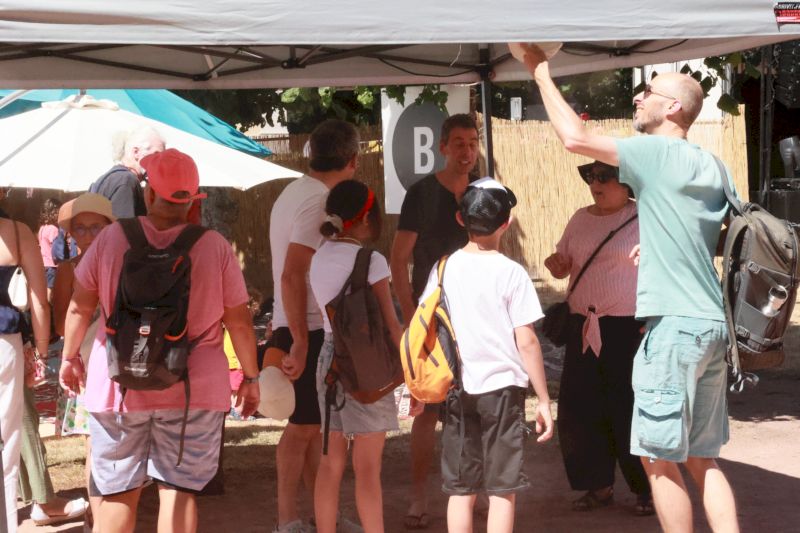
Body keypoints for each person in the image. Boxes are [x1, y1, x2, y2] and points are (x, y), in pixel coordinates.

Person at [511, 43, 739, 533]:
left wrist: (539, 70)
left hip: (672, 328)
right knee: (703, 458)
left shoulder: (655, 153)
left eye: (648, 92)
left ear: (672, 108)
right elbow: (719, 237)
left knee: (658, 460)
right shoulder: (712, 165)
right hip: (711, 325)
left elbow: (574, 137)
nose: (638, 98)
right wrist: (658, 249)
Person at [59, 148, 260, 533]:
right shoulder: (214, 246)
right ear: (194, 199)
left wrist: (69, 358)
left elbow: (79, 307)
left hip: (119, 384)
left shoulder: (111, 239)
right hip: (193, 390)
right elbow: (239, 322)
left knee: (117, 496)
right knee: (179, 493)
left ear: (149, 194)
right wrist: (250, 377)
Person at [418, 177, 553, 533]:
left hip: (456, 388)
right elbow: (527, 341)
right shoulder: (513, 274)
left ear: (460, 219)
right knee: (502, 489)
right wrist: (543, 399)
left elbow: (425, 324)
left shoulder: (443, 268)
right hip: (503, 391)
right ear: (507, 223)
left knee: (461, 490)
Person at [544, 161, 653, 515]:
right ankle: (598, 486)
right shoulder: (580, 218)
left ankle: (647, 490)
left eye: (605, 177)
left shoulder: (645, 218)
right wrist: (557, 265)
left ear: (627, 183)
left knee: (628, 409)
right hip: (583, 327)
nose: (596, 183)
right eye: (592, 177)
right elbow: (563, 261)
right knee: (581, 408)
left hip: (627, 329)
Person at [268, 119, 360, 533]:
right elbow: (292, 274)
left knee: (313, 428)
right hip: (304, 327)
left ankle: (321, 517)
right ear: (353, 160)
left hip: (299, 324)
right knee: (303, 428)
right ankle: (287, 520)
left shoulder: (295, 191)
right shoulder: (318, 200)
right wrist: (302, 341)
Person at [388, 113, 480, 529]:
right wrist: (412, 319)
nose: (467, 151)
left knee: (475, 408)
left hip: (476, 318)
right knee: (427, 409)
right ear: (442, 147)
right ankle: (419, 495)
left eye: (472, 142)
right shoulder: (422, 194)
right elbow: (398, 260)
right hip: (431, 319)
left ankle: (469, 491)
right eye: (459, 143)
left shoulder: (484, 191)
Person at [309, 181, 402, 533]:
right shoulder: (371, 260)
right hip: (368, 362)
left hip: (329, 358)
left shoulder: (319, 257)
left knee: (330, 463)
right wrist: (411, 368)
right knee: (368, 468)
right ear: (365, 219)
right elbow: (390, 323)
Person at [51, 193, 116, 532]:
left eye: (95, 227)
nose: (88, 235)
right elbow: (61, 324)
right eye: (80, 228)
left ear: (109, 228)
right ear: (71, 233)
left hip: (119, 363)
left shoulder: (123, 263)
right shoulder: (68, 269)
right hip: (83, 364)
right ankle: (97, 515)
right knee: (95, 441)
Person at [0, 203, 50, 533]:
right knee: (7, 440)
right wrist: (42, 353)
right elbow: (39, 299)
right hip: (5, 344)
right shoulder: (17, 232)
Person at [89, 126, 165, 218]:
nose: (160, 162)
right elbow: (123, 226)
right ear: (136, 152)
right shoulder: (126, 181)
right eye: (156, 155)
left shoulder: (114, 178)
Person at [37, 197, 61, 298]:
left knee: (45, 288)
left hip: (43, 264)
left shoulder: (42, 228)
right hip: (52, 265)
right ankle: (48, 305)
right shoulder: (53, 229)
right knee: (50, 290)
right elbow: (57, 248)